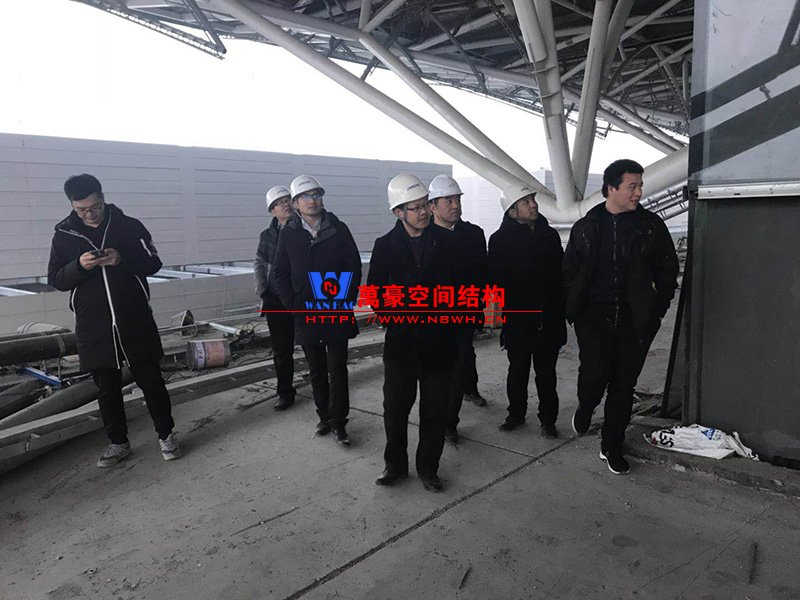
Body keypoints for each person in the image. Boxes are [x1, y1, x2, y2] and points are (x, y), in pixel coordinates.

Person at [47, 174, 181, 467]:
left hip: (134, 318)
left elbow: (153, 263)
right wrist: (79, 266)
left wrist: (122, 259)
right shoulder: (64, 235)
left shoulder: (129, 226)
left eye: (94, 206)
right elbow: (55, 279)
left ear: (102, 197)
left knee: (151, 381)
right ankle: (118, 442)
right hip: (93, 325)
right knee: (106, 389)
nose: (89, 214)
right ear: (72, 206)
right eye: (81, 210)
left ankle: (166, 435)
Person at [564, 159, 679, 474]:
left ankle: (611, 445)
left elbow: (667, 271)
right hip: (593, 319)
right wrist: (574, 310)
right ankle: (587, 405)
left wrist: (655, 310)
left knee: (623, 385)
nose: (639, 192)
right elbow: (570, 272)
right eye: (632, 186)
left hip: (635, 322)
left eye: (640, 186)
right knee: (593, 376)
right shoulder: (586, 227)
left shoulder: (650, 227)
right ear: (611, 188)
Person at [368, 174, 458, 492]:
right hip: (401, 345)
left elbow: (459, 287)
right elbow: (376, 292)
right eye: (415, 207)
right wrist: (397, 319)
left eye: (425, 205)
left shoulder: (446, 242)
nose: (423, 212)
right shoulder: (385, 246)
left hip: (439, 343)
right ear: (398, 212)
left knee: (435, 409)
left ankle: (428, 469)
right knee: (395, 408)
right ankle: (395, 466)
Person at [272, 175, 362, 446]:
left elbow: (353, 265)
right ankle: (324, 416)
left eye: (316, 195)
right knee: (316, 369)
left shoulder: (338, 228)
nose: (312, 201)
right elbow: (279, 273)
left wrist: (344, 298)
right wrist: (293, 304)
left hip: (334, 306)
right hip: (305, 310)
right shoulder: (289, 234)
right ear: (295, 203)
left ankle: (339, 422)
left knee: (338, 369)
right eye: (305, 197)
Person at [488, 183, 566, 438]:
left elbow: (561, 275)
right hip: (519, 320)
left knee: (546, 373)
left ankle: (548, 420)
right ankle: (516, 414)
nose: (533, 205)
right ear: (512, 211)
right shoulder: (500, 241)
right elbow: (496, 281)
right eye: (526, 202)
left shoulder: (549, 235)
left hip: (548, 318)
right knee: (518, 370)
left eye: (533, 200)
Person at [427, 174, 489, 445]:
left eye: (457, 199)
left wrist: (478, 306)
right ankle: (444, 417)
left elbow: (482, 273)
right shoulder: (424, 237)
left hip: (464, 313)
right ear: (432, 206)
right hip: (434, 318)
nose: (455, 205)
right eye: (448, 200)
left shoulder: (473, 235)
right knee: (440, 371)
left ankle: (449, 422)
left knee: (460, 361)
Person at [255, 185, 297, 411]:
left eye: (287, 200)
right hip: (276, 299)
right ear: (272, 210)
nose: (285, 205)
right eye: (279, 203)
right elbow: (259, 264)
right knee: (281, 350)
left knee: (313, 345)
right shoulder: (267, 236)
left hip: (300, 296)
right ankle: (285, 392)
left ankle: (323, 388)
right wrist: (264, 292)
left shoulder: (304, 229)